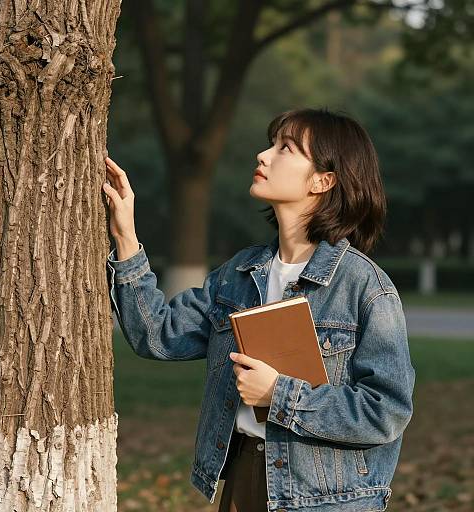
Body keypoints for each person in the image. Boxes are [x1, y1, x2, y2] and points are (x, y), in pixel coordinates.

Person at [102, 107, 415, 512]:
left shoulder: (363, 286)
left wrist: (278, 393)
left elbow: (385, 413)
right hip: (244, 475)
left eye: (285, 148)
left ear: (324, 179)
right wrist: (126, 238)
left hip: (325, 498)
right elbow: (157, 335)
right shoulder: (240, 272)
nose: (263, 156)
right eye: (271, 144)